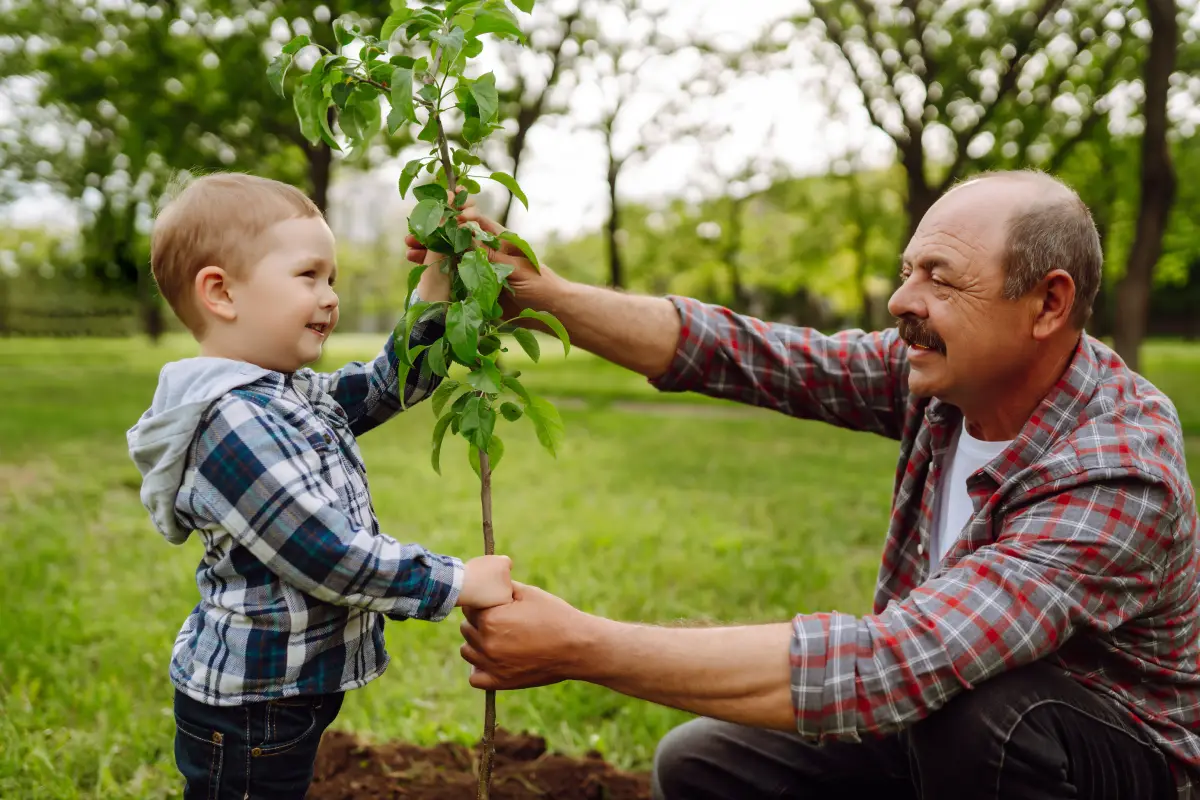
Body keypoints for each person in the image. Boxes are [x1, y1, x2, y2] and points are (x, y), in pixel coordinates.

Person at [410, 170, 1200, 799]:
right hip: (936, 712)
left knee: (985, 715)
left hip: (1106, 759)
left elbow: (898, 661)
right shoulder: (943, 384)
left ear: (1048, 303)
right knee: (706, 765)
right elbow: (745, 354)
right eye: (905, 272)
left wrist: (584, 645)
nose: (901, 302)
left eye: (940, 279)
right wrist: (538, 294)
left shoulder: (1117, 469)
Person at [126, 172, 514, 800]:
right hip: (252, 707)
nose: (330, 296)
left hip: (284, 692)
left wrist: (438, 278)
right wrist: (455, 581)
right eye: (309, 276)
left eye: (330, 278)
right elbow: (326, 554)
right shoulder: (233, 422)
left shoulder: (282, 394)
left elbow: (389, 384)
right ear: (221, 292)